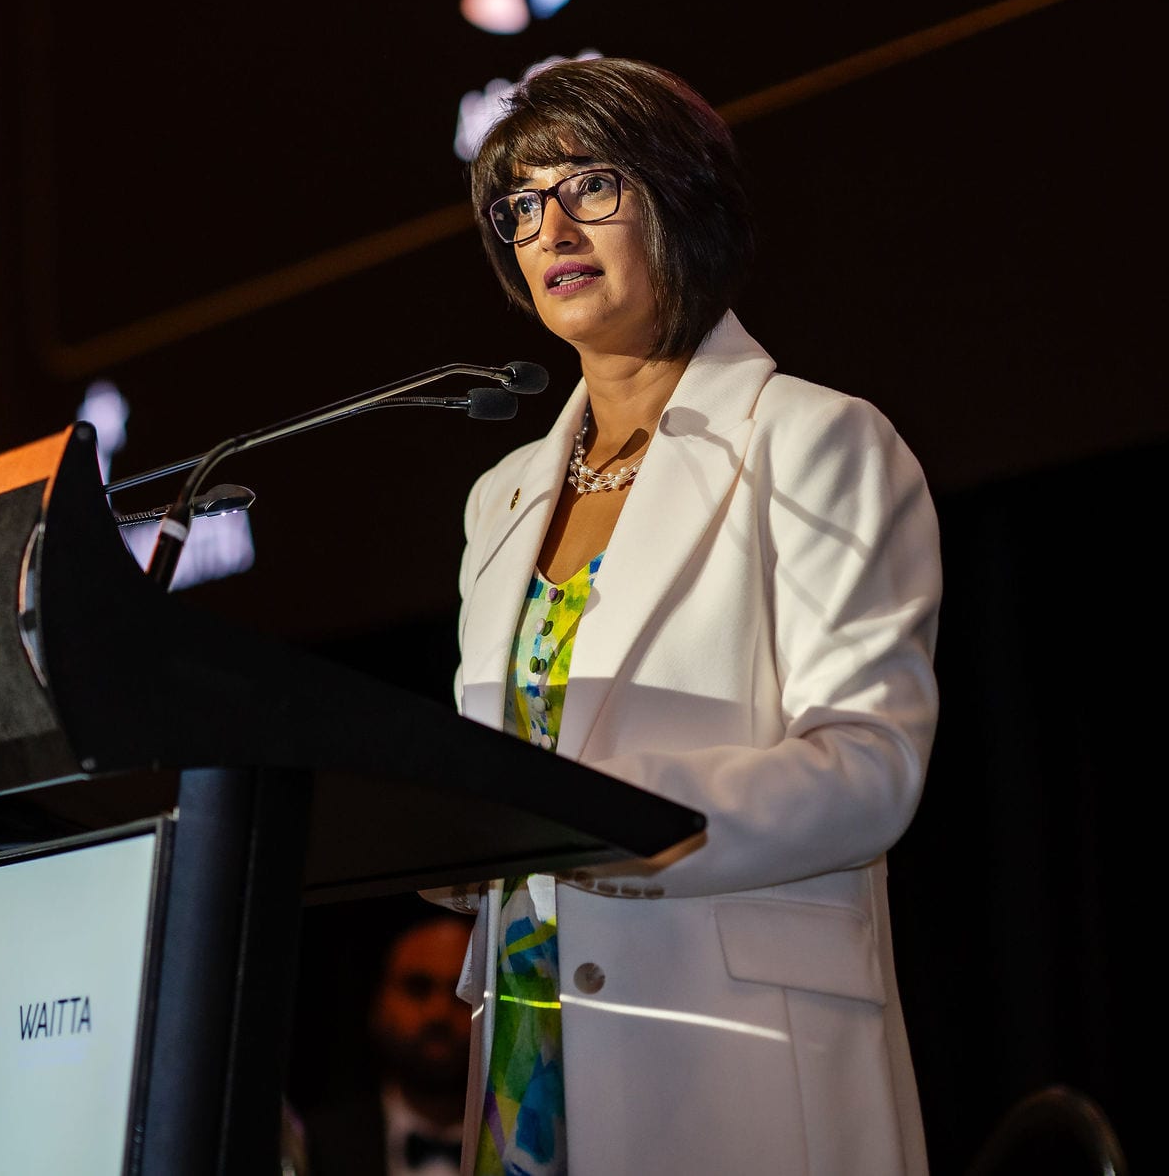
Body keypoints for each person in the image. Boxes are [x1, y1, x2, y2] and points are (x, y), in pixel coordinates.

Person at [444, 57, 941, 1174]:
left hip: (733, 1058)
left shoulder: (812, 439)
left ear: (682, 199)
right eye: (519, 205)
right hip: (525, 1045)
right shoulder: (500, 499)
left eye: (590, 184)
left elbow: (868, 768)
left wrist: (594, 817)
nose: (550, 227)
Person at [303, 914, 473, 1176]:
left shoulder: (535, 1149)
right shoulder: (309, 1147)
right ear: (378, 1002)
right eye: (417, 987)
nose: (439, 1012)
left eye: (463, 993)